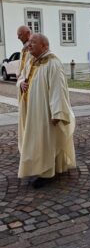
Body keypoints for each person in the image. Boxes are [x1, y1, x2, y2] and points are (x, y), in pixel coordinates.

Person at [17, 33, 76, 188]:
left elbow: (58, 89)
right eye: (29, 42)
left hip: (46, 112)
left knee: (47, 141)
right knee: (38, 140)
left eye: (33, 42)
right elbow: (22, 77)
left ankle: (47, 172)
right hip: (33, 111)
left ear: (44, 46)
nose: (29, 45)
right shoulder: (31, 60)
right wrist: (21, 83)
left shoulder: (53, 63)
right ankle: (43, 167)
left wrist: (57, 112)